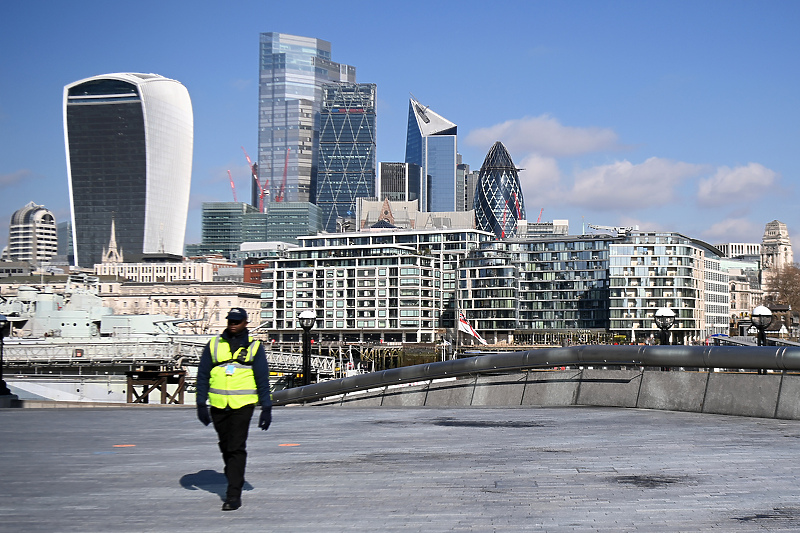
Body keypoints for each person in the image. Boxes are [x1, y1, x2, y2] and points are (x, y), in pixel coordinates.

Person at [196, 307, 272, 511]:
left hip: (243, 405)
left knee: (236, 447)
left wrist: (266, 407)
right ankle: (233, 472)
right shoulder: (213, 345)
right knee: (225, 445)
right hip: (218, 404)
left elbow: (262, 379)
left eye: (237, 321)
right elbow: (202, 375)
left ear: (245, 323)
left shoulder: (255, 348)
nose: (233, 324)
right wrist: (200, 403)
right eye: (230, 320)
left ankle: (233, 495)